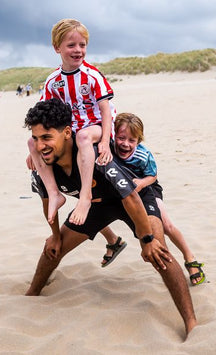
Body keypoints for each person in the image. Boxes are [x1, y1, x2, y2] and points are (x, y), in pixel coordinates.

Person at [24, 98, 197, 339]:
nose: (41, 145)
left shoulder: (92, 155)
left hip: (137, 196)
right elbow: (47, 202)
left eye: (47, 137)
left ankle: (191, 323)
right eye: (36, 138)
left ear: (66, 133)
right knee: (53, 248)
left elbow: (129, 197)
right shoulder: (44, 165)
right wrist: (54, 236)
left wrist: (146, 238)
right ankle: (32, 293)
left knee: (159, 252)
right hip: (98, 204)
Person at [27, 18, 115, 229]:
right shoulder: (53, 81)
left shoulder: (92, 75)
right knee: (32, 143)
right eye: (71, 45)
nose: (78, 50)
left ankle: (85, 196)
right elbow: (44, 116)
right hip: (70, 131)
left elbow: (106, 110)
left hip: (94, 126)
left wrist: (104, 140)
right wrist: (34, 152)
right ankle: (54, 193)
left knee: (83, 137)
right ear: (57, 47)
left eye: (82, 45)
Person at [108, 112, 205, 285]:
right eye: (121, 138)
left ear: (139, 141)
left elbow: (152, 176)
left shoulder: (143, 155)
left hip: (148, 188)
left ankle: (190, 258)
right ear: (113, 135)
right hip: (125, 191)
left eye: (132, 140)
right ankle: (112, 241)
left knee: (166, 225)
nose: (125, 144)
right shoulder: (108, 148)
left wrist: (141, 183)